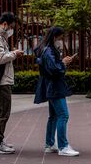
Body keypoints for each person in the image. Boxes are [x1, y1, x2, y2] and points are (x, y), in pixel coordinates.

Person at [34, 26, 80, 157]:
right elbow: (55, 69)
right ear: (55, 36)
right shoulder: (48, 50)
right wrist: (64, 63)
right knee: (63, 115)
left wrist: (61, 61)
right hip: (54, 87)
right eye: (60, 38)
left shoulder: (44, 49)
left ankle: (49, 144)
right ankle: (63, 146)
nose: (60, 40)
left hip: (50, 86)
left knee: (54, 116)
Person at [0, 12, 24, 154]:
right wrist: (15, 54)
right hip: (1, 81)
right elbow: (0, 58)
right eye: (11, 26)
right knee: (2, 112)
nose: (12, 29)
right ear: (5, 24)